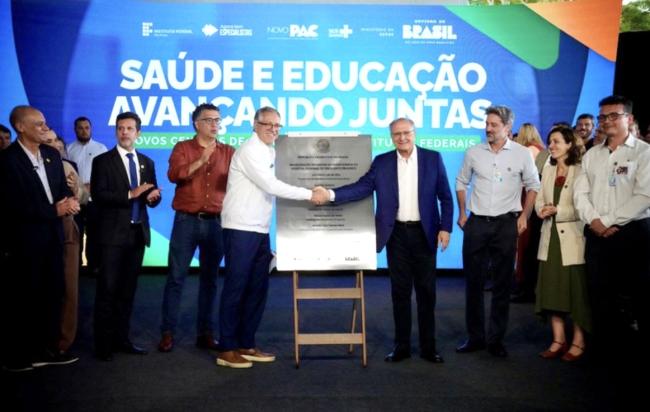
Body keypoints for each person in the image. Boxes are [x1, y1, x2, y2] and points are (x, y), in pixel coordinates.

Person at [312, 117, 453, 363]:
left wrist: (446, 228)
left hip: (425, 234)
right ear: (391, 137)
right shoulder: (382, 162)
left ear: (414, 133)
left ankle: (429, 348)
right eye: (397, 134)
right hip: (396, 235)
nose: (402, 138)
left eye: (406, 132)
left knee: (426, 293)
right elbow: (361, 188)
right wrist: (330, 194)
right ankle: (402, 347)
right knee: (399, 292)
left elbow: (446, 197)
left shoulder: (433, 158)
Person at [217, 106, 317, 368]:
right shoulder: (250, 150)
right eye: (267, 124)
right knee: (236, 287)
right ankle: (226, 348)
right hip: (240, 228)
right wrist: (310, 194)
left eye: (277, 125)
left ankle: (246, 344)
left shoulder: (269, 150)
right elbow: (270, 186)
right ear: (254, 124)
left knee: (257, 288)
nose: (273, 129)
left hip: (259, 229)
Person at [455, 105, 540, 357]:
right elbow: (461, 182)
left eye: (493, 125)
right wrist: (462, 213)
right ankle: (475, 337)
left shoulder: (522, 153)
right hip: (477, 223)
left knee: (502, 284)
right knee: (473, 283)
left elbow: (533, 185)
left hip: (506, 224)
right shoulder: (473, 152)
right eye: (487, 124)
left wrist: (524, 216)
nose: (488, 128)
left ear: (507, 128)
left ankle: (495, 340)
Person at [0, 106, 80, 372]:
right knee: (23, 298)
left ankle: (47, 349)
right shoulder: (7, 161)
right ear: (20, 127)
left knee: (52, 294)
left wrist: (69, 202)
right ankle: (17, 355)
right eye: (39, 124)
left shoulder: (51, 155)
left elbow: (60, 190)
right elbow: (11, 206)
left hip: (54, 238)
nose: (45, 128)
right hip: (24, 242)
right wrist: (53, 210)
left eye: (45, 123)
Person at [574, 95, 650, 357]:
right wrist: (595, 222)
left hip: (633, 233)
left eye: (613, 116)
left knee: (639, 295)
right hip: (596, 234)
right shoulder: (592, 155)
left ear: (629, 118)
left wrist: (606, 221)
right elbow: (580, 194)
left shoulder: (643, 152)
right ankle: (606, 352)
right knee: (599, 295)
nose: (606, 121)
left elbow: (644, 196)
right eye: (603, 117)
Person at [158, 103, 235, 352]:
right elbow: (174, 175)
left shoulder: (228, 151)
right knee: (176, 278)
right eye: (209, 120)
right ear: (196, 124)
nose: (215, 124)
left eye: (218, 120)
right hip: (186, 221)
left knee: (210, 281)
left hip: (216, 223)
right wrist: (201, 160)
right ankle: (168, 333)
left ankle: (205, 333)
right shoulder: (182, 148)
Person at [91, 111, 161, 361]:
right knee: (107, 291)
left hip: (137, 234)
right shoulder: (102, 161)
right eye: (120, 128)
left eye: (129, 128)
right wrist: (130, 194)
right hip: (112, 236)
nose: (124, 132)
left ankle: (122, 339)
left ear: (138, 133)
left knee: (127, 292)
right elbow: (99, 195)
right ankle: (103, 345)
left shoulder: (147, 162)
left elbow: (151, 196)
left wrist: (153, 198)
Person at [535, 126, 591, 361]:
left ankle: (578, 341)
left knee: (575, 294)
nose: (551, 146)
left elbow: (584, 207)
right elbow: (539, 199)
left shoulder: (581, 170)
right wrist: (541, 210)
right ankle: (558, 340)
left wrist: (558, 210)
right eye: (550, 141)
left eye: (556, 141)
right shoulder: (547, 170)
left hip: (573, 240)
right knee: (551, 291)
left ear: (569, 144)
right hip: (550, 238)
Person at [44, 131, 89, 354]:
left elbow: (82, 198)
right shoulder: (29, 166)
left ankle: (64, 341)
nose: (54, 145)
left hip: (67, 231)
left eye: (56, 142)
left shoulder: (67, 166)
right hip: (42, 232)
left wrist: (76, 190)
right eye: (48, 141)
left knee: (69, 289)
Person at [67, 116, 107, 274]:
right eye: (80, 128)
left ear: (91, 129)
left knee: (94, 234)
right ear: (75, 130)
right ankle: (75, 268)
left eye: (87, 128)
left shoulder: (100, 148)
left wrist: (92, 186)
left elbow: (106, 173)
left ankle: (93, 267)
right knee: (75, 234)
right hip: (74, 199)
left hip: (94, 199)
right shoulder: (69, 149)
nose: (84, 131)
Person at [512, 123, 545, 303]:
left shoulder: (529, 150)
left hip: (527, 199)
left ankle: (524, 285)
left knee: (525, 244)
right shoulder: (539, 149)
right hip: (530, 199)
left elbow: (526, 179)